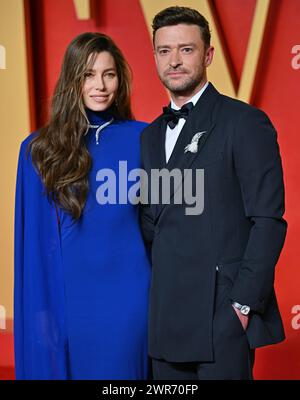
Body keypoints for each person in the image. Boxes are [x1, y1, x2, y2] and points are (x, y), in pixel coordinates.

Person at [140, 6, 287, 380]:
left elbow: (268, 221)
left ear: (208, 55)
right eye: (164, 50)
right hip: (165, 319)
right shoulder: (150, 135)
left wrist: (241, 305)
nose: (174, 61)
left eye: (186, 50)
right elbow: (154, 223)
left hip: (218, 318)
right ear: (155, 56)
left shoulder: (244, 122)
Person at [14, 32, 151, 380]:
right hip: (70, 301)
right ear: (71, 80)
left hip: (132, 297)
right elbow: (32, 246)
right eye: (88, 75)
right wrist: (43, 312)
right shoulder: (39, 148)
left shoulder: (145, 137)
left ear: (120, 80)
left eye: (109, 74)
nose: (100, 85)